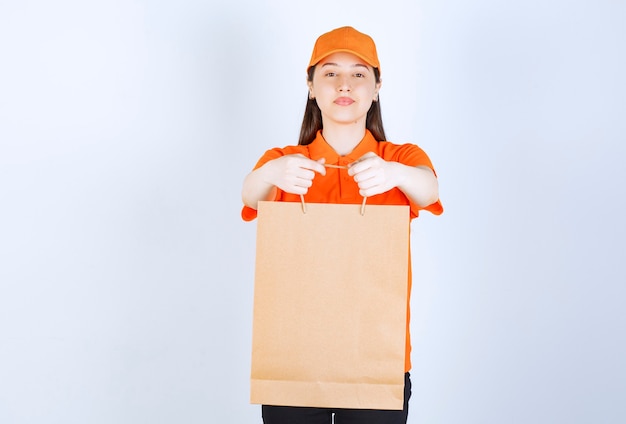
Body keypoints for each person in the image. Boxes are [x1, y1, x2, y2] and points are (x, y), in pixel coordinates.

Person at [241, 26, 443, 424]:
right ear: (311, 86)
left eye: (359, 74)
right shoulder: (286, 159)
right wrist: (273, 172)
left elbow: (428, 188)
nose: (344, 84)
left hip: (376, 359)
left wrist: (394, 174)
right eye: (330, 73)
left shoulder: (399, 156)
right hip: (292, 359)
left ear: (376, 87)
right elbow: (249, 195)